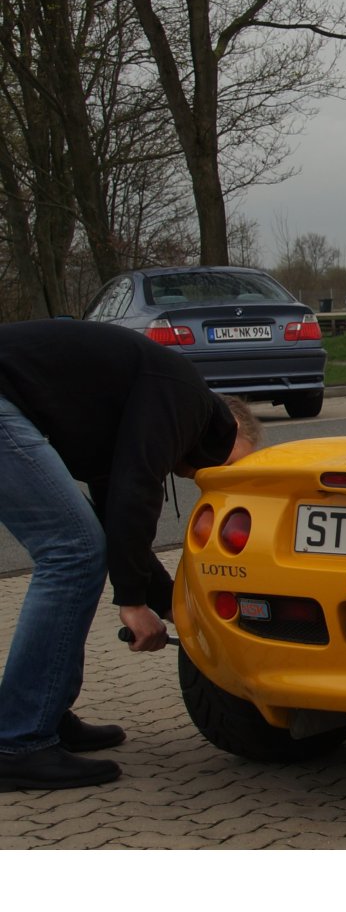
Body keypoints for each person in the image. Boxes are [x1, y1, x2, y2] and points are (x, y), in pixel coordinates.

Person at [0, 319, 261, 791]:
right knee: (73, 551)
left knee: (83, 545)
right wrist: (133, 604)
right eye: (233, 462)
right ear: (228, 424)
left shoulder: (134, 406)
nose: (216, 478)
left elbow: (120, 522)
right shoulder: (186, 397)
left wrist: (173, 606)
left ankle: (44, 713)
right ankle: (18, 740)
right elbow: (136, 491)